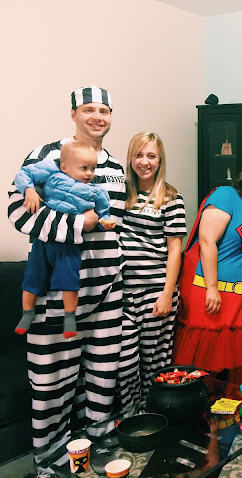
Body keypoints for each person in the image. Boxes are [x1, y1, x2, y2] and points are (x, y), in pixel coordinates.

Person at [7, 85, 125, 475]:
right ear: (73, 113)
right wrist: (78, 225)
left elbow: (116, 222)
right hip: (56, 292)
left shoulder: (114, 166)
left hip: (106, 291)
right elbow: (19, 213)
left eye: (104, 110)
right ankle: (49, 460)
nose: (97, 117)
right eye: (88, 109)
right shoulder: (46, 155)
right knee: (52, 381)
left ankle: (99, 440)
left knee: (103, 375)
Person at [172, 159, 242, 382]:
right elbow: (207, 241)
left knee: (235, 364)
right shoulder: (226, 195)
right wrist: (212, 288)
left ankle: (229, 403)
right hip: (213, 292)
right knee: (203, 361)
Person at [14, 140, 116, 338]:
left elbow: (104, 212)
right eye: (84, 168)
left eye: (93, 168)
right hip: (44, 239)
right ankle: (27, 313)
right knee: (33, 276)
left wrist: (104, 220)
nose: (89, 173)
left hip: (70, 241)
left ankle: (70, 318)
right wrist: (29, 190)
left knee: (69, 280)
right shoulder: (52, 172)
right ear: (64, 167)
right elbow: (23, 173)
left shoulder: (96, 191)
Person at [117, 132, 187, 409]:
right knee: (124, 364)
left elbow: (175, 249)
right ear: (130, 158)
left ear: (160, 161)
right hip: (121, 293)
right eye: (138, 155)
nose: (144, 162)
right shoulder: (120, 194)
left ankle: (154, 416)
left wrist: (167, 294)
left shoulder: (171, 198)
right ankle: (131, 416)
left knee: (154, 364)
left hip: (156, 291)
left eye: (151, 156)